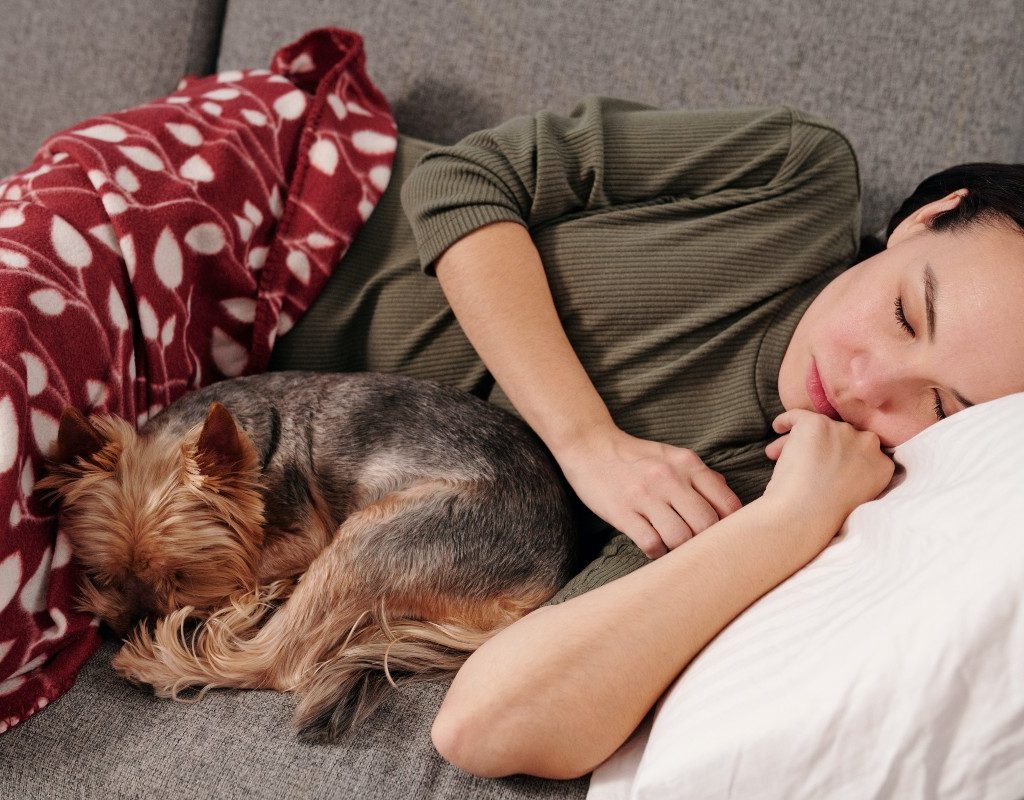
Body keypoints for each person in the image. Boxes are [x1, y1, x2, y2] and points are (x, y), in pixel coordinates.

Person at [267, 96, 1024, 777]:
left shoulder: (748, 492)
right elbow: (462, 179)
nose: (867, 383)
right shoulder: (797, 177)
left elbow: (483, 724)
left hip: (237, 410)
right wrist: (586, 441)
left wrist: (787, 522)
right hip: (283, 200)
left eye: (940, 408)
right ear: (926, 219)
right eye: (904, 314)